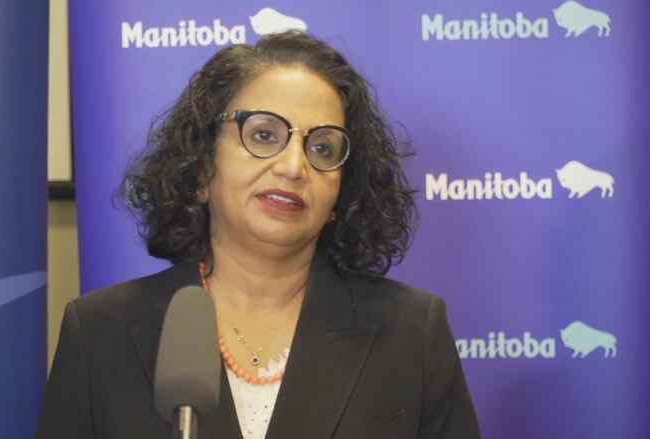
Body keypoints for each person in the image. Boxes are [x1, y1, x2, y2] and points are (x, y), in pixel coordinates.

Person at [37, 31, 480, 439]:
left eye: (322, 147)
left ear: (341, 195)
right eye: (265, 135)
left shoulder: (410, 332)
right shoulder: (99, 332)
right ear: (200, 169)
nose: (293, 166)